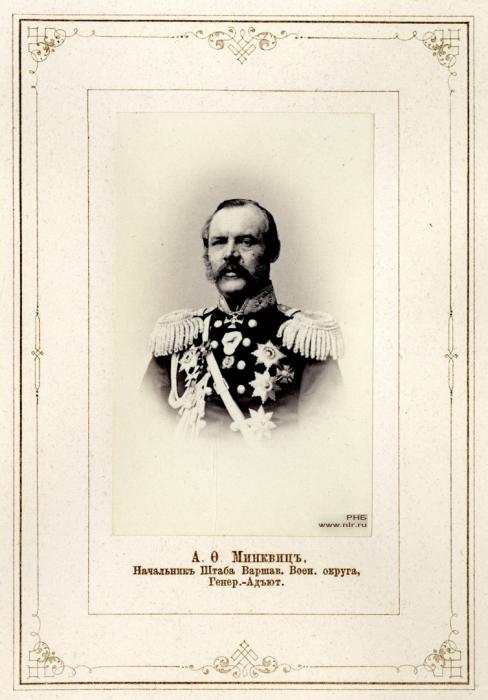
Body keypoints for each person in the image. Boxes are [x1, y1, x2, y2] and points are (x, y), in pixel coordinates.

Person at [142, 198, 344, 441]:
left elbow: (326, 445)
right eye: (219, 242)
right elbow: (146, 436)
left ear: (273, 250)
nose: (230, 254)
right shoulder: (179, 338)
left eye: (246, 241)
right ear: (208, 253)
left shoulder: (306, 342)